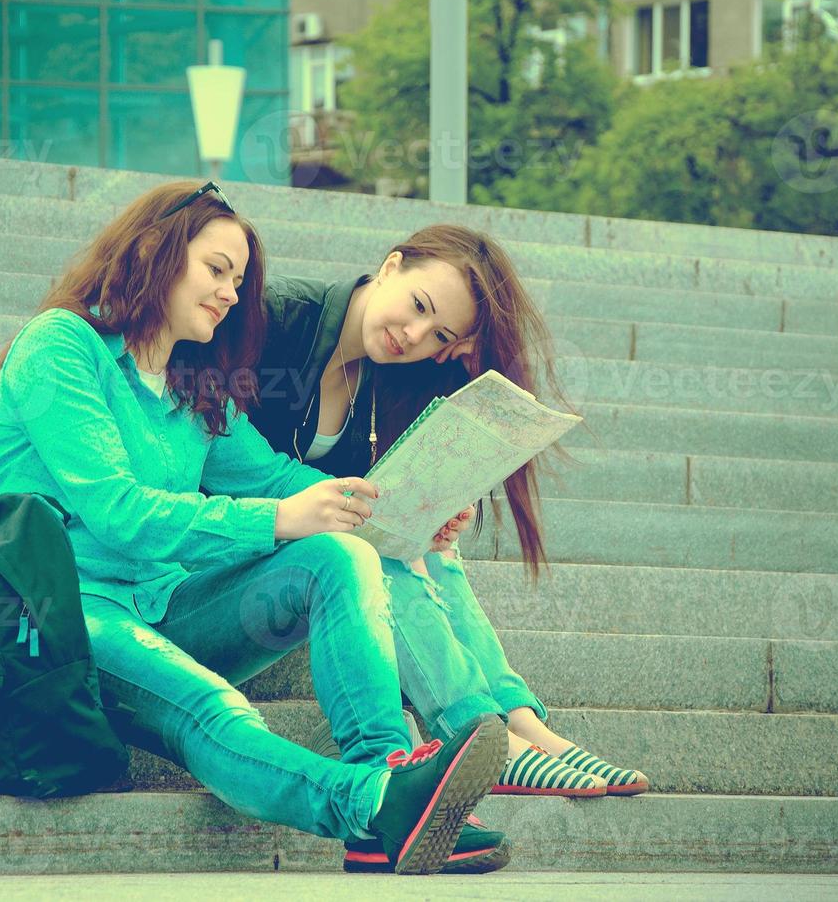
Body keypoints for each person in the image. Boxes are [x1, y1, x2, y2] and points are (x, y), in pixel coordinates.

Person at [0, 181, 509, 875]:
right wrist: (277, 520)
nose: (231, 293)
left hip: (161, 606)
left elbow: (278, 480)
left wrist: (405, 514)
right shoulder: (63, 347)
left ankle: (390, 773)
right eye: (216, 270)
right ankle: (372, 808)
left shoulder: (194, 381)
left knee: (338, 555)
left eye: (239, 279)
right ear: (157, 253)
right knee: (212, 705)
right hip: (55, 618)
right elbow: (120, 512)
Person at [250, 223, 650, 797]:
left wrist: (432, 513)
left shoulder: (391, 376)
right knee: (374, 548)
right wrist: (351, 504)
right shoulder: (279, 320)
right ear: (390, 266)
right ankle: (475, 735)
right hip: (238, 550)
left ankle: (523, 726)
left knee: (432, 551)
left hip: (313, 553)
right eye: (417, 305)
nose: (412, 336)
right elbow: (223, 459)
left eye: (439, 335)